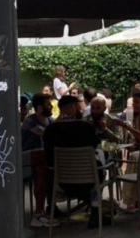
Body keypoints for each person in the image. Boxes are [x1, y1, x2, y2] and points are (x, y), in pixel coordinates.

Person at [43, 95, 102, 228]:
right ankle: (95, 209)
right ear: (74, 108)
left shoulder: (51, 130)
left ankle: (52, 207)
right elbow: (95, 147)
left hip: (61, 182)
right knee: (99, 166)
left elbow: (48, 158)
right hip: (89, 180)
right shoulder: (85, 127)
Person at [23, 94, 55, 228]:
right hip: (26, 157)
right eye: (48, 104)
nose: (51, 106)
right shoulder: (30, 121)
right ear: (40, 107)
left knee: (47, 167)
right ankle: (39, 213)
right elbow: (47, 135)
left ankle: (50, 208)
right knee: (43, 162)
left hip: (43, 159)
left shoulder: (51, 120)